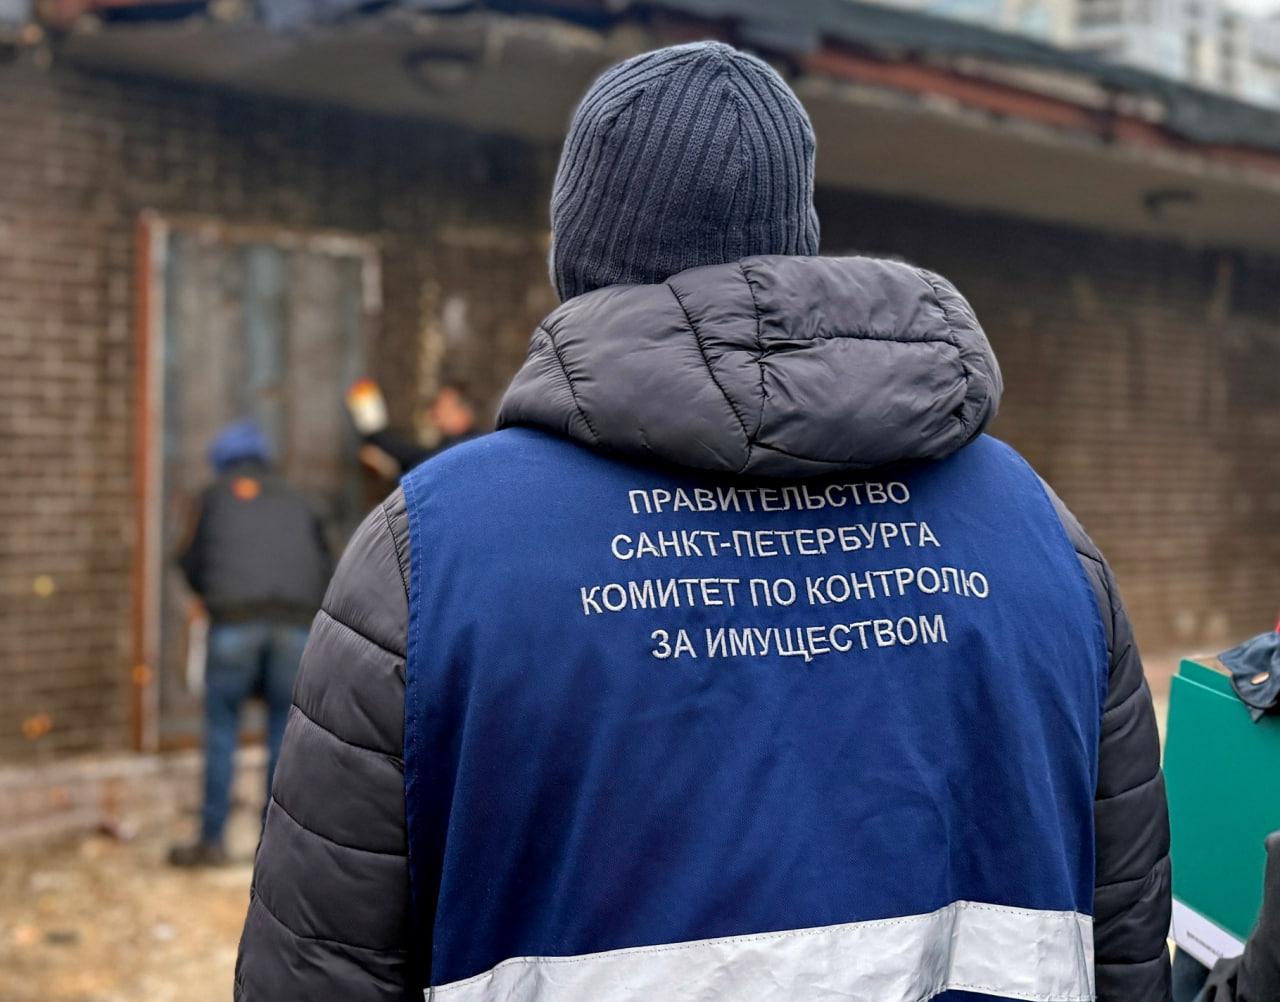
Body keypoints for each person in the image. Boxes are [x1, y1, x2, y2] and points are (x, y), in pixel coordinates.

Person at [236, 42, 1171, 1000]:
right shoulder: (1039, 534)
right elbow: (1129, 945)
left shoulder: (435, 552)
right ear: (792, 241)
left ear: (577, 251)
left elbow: (317, 971)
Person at [169, 419, 332, 867]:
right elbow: (327, 564)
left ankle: (212, 841)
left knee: (222, 729)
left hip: (233, 625)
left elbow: (189, 562)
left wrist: (210, 597)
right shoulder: (300, 499)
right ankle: (274, 850)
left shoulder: (212, 497)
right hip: (295, 628)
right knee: (284, 734)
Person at [346, 377, 478, 479]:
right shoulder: (462, 444)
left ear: (463, 411)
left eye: (442, 407)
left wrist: (375, 430)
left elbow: (418, 460)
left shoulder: (465, 446)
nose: (435, 413)